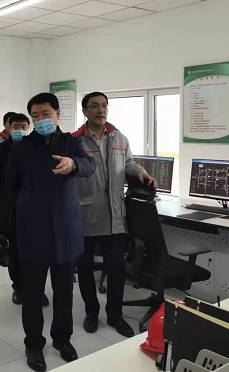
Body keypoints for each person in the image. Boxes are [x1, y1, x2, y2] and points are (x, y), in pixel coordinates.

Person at [9, 93, 96, 372]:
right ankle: (34, 344)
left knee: (64, 292)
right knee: (33, 294)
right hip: (32, 230)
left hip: (65, 230)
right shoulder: (22, 147)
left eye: (45, 114)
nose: (40, 120)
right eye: (35, 116)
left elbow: (90, 165)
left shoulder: (72, 143)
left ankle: (62, 339)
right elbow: (10, 187)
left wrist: (73, 163)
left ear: (58, 114)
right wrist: (9, 226)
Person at [73, 92, 157, 339]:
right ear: (85, 111)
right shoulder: (75, 141)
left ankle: (115, 315)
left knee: (117, 269)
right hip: (86, 214)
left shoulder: (119, 137)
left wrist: (140, 171)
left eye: (104, 105)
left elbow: (128, 163)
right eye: (95, 106)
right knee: (85, 268)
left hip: (115, 215)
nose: (101, 110)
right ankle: (91, 312)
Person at [0, 113, 49, 307]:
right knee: (15, 252)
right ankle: (19, 288)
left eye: (23, 126)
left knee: (36, 253)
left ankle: (37, 290)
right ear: (8, 127)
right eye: (16, 126)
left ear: (29, 128)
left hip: (34, 211)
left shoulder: (37, 148)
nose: (20, 130)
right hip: (9, 211)